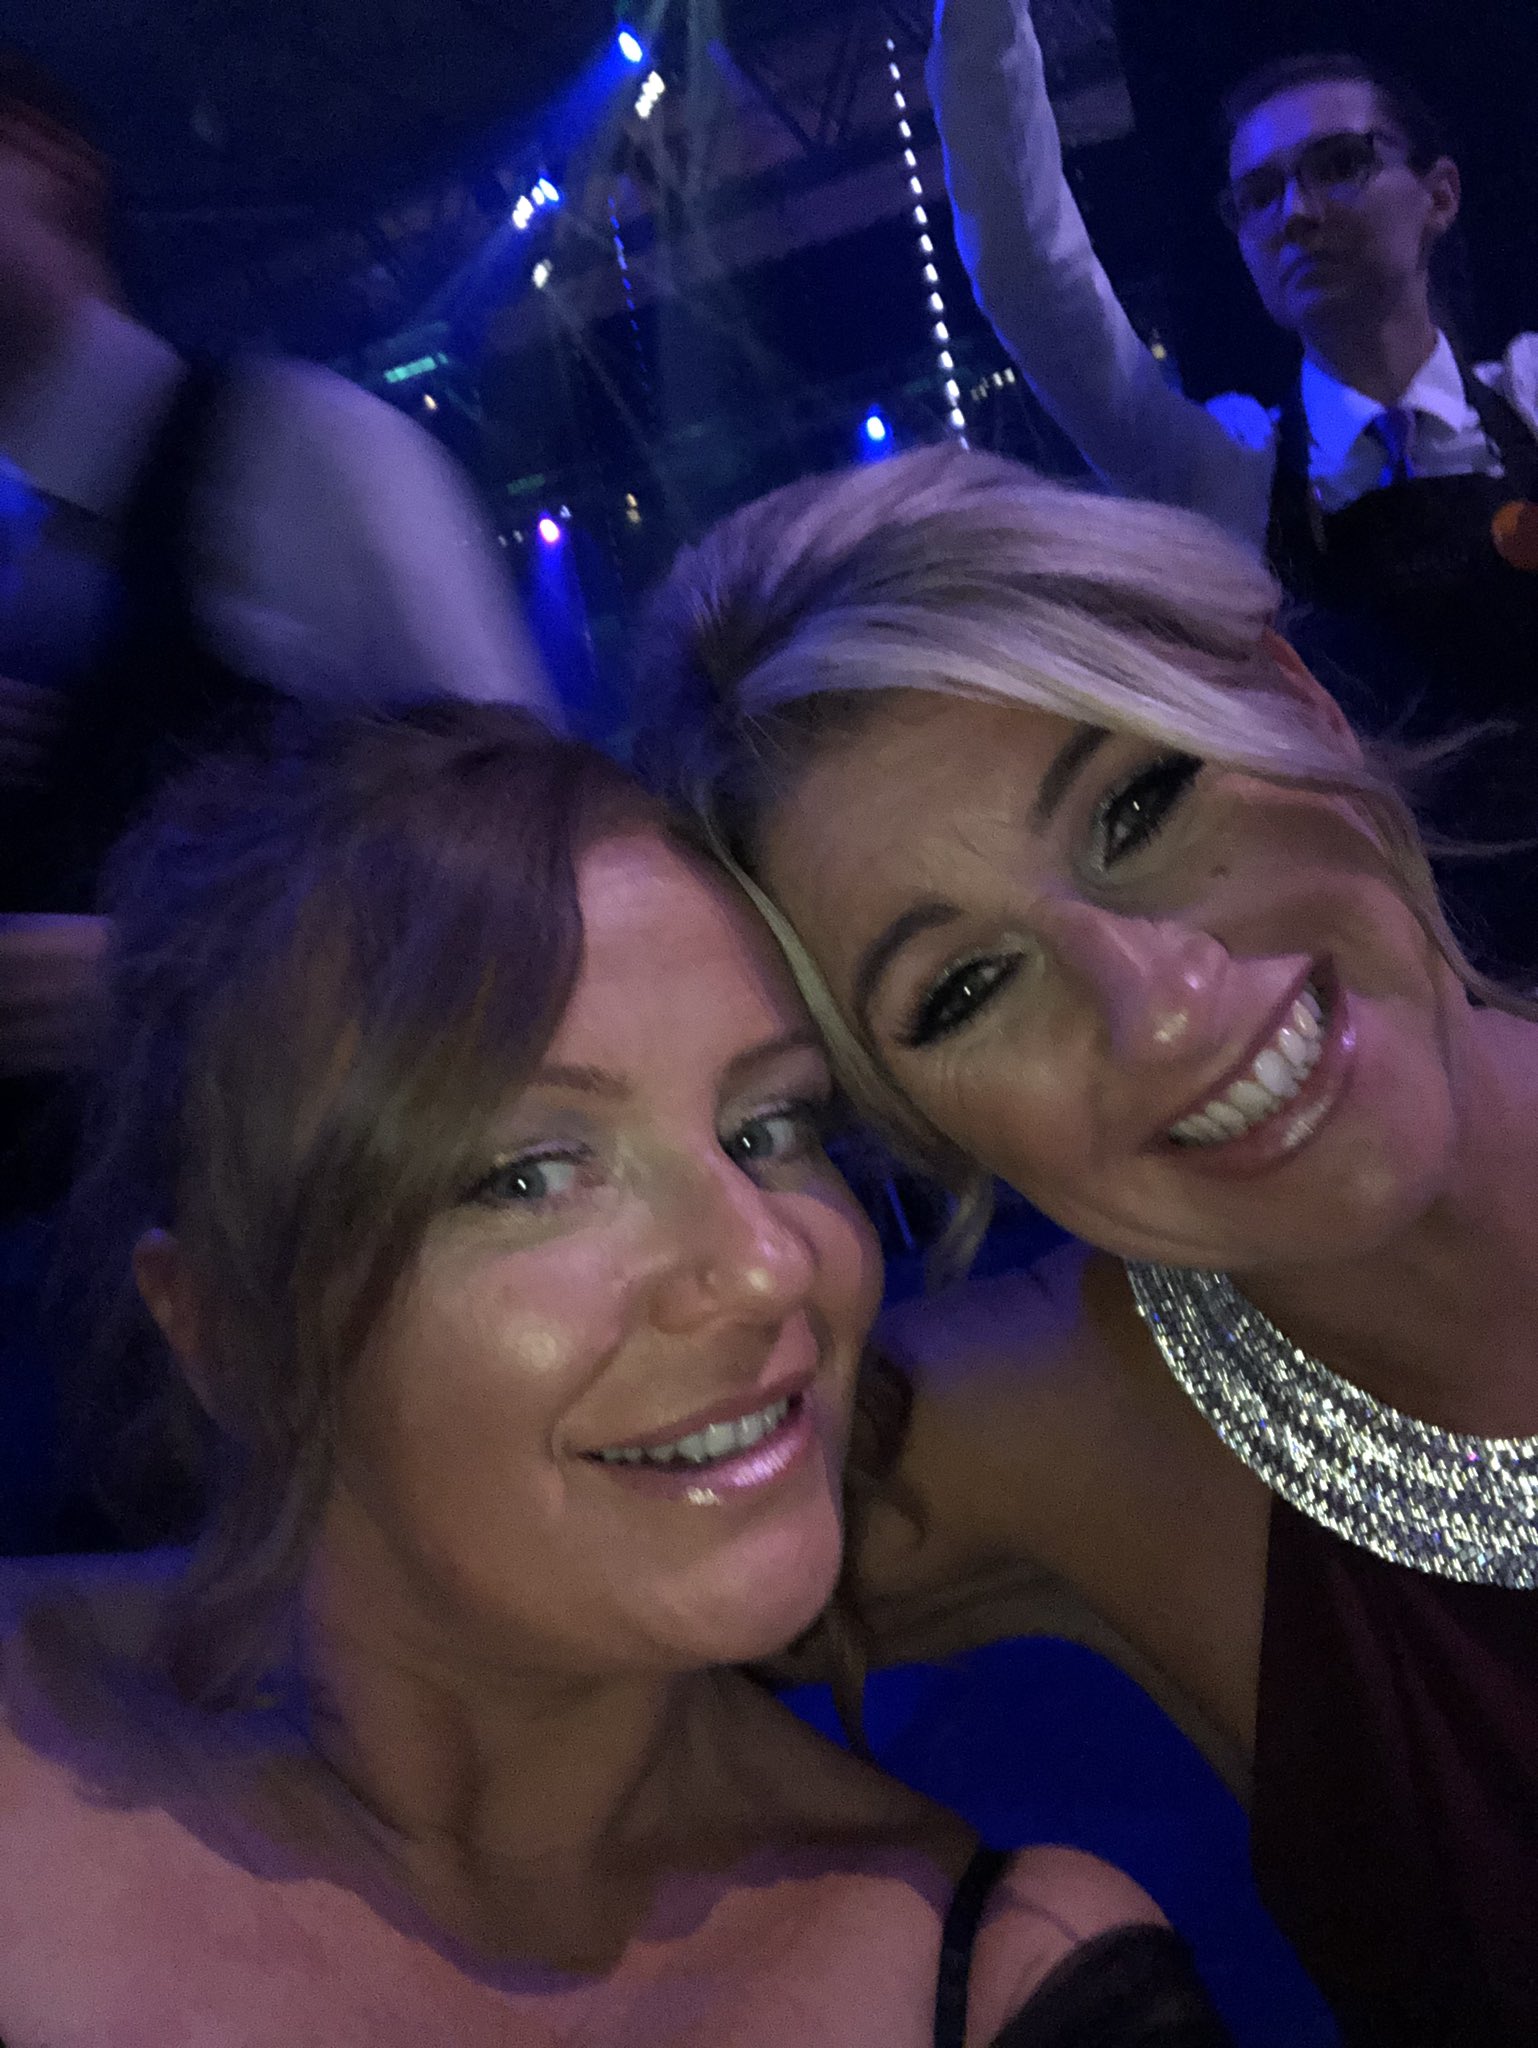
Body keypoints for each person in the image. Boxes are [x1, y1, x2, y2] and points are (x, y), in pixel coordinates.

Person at [0, 704, 1232, 2045]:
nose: (766, 1264)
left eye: (768, 1127)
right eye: (529, 1176)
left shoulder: (1006, 1982)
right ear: (227, 1336)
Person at [636, 443, 1538, 2046]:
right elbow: (375, 1645)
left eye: (1139, 801)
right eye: (962, 991)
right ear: (910, 1127)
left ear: (1294, 703)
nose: (1157, 1003)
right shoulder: (1052, 1432)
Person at [0, 50, 555, 1215]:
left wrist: (156, 980)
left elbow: (537, 864)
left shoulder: (298, 452)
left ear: (50, 164)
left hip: (307, 1246)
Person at [925, 0, 1538, 982]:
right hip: (1408, 980)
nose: (1295, 211)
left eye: (1338, 163)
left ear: (1439, 195)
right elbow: (1031, 277)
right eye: (1258, 193)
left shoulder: (1532, 396)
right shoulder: (1221, 473)